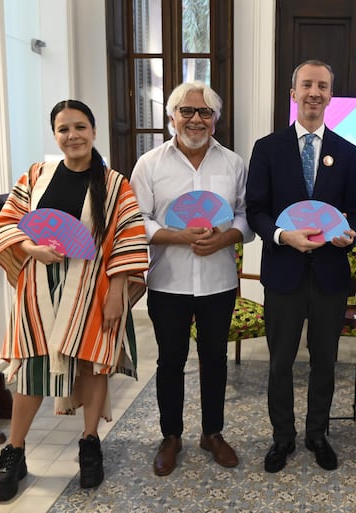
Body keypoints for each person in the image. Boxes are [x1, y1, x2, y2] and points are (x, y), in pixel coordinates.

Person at [0, 100, 149, 501]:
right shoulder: (36, 176)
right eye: (63, 129)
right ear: (55, 135)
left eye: (80, 127)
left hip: (93, 287)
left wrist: (117, 294)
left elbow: (127, 238)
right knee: (31, 368)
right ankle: (14, 451)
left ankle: (90, 442)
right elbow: (8, 222)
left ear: (94, 131)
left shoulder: (114, 184)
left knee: (91, 364)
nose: (72, 135)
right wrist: (31, 248)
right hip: (38, 288)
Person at [130, 81, 253, 476]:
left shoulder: (233, 163)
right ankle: (171, 436)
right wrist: (177, 236)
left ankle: (212, 433)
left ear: (215, 120)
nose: (195, 119)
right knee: (171, 361)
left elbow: (245, 216)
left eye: (204, 112)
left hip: (218, 281)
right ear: (172, 117)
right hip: (168, 281)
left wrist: (225, 239)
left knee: (215, 359)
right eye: (187, 111)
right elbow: (138, 221)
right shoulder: (149, 164)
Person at [246, 59, 356, 473]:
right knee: (280, 361)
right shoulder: (267, 148)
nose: (315, 92)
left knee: (325, 361)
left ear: (331, 95)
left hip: (330, 274)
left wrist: (347, 234)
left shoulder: (347, 152)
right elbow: (256, 210)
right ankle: (283, 437)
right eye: (307, 85)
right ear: (293, 93)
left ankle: (317, 434)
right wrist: (282, 236)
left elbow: (353, 211)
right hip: (284, 271)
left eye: (322, 86)